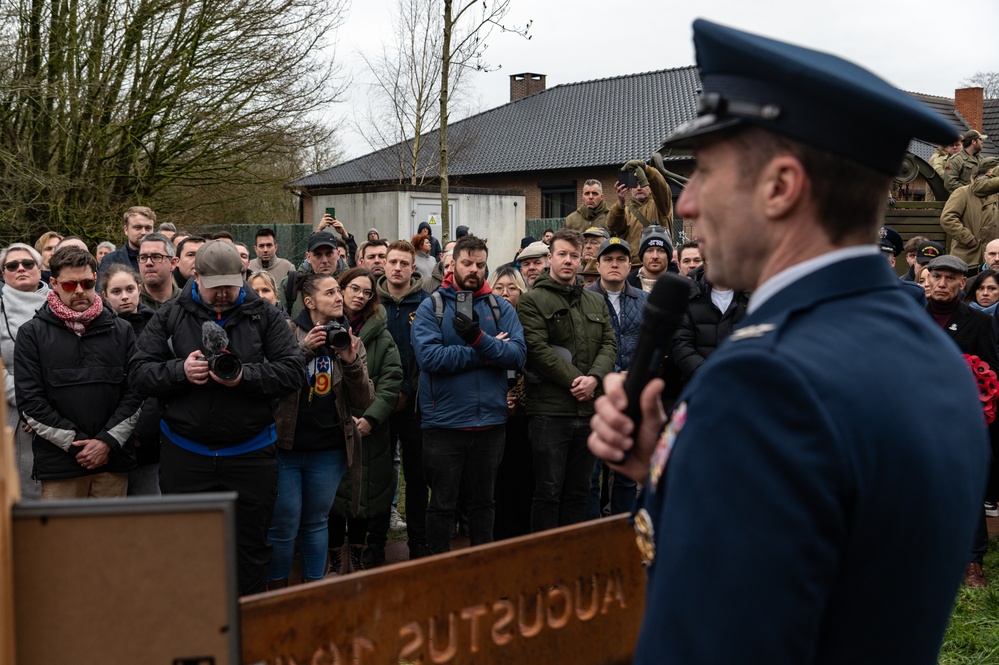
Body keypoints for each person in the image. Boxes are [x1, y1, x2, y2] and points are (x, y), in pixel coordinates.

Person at [588, 19, 988, 663]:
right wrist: (665, 465)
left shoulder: (765, 383)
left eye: (706, 174)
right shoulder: (928, 348)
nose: (686, 205)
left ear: (779, 186)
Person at [130, 240, 306, 595]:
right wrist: (180, 371)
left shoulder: (265, 315)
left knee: (251, 548)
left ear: (243, 274)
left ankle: (249, 633)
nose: (224, 294)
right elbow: (138, 372)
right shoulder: (170, 314)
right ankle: (197, 631)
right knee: (187, 548)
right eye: (215, 288)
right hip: (186, 453)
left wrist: (246, 377)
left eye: (231, 285)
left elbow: (293, 373)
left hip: (251, 454)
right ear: (195, 277)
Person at [411, 234, 526, 553]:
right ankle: (440, 572)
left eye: (479, 264)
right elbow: (431, 359)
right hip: (443, 426)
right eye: (467, 263)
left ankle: (482, 572)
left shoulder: (500, 307)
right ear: (452, 264)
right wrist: (488, 348)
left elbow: (517, 355)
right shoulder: (431, 307)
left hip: (490, 423)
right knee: (442, 505)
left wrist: (476, 338)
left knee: (483, 504)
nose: (474, 269)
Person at [266, 273, 374, 589]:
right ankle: (276, 591)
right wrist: (303, 351)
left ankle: (315, 591)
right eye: (330, 292)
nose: (339, 296)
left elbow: (364, 399)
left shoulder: (350, 338)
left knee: (316, 522)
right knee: (283, 523)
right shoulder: (284, 333)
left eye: (339, 290)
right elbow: (270, 383)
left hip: (329, 449)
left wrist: (351, 361)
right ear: (309, 302)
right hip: (287, 446)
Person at [14, 246, 140, 499]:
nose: (80, 290)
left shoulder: (123, 330)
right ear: (54, 283)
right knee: (62, 539)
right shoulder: (31, 334)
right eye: (71, 285)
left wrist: (106, 442)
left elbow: (137, 392)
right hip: (60, 465)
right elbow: (29, 402)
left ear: (95, 278)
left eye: (87, 282)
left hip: (112, 460)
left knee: (113, 537)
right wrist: (79, 446)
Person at [518, 228, 616, 532]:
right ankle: (545, 564)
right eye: (562, 254)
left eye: (575, 255)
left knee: (580, 490)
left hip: (588, 413)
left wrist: (595, 378)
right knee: (547, 491)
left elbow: (609, 345)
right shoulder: (532, 301)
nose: (569, 261)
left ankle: (571, 562)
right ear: (550, 258)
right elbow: (538, 350)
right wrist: (580, 381)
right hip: (551, 413)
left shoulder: (595, 302)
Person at [924, 254, 999, 587]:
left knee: (968, 486)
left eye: (950, 278)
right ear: (926, 278)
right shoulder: (909, 315)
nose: (942, 283)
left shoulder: (979, 322)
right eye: (937, 276)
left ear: (960, 283)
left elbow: (991, 372)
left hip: (961, 419)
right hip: (915, 417)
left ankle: (972, 560)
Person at [325, 268, 402, 573]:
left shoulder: (381, 336)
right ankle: (332, 559)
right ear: (340, 289)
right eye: (354, 288)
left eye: (366, 292)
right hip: (329, 428)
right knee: (331, 500)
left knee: (360, 498)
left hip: (365, 430)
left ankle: (355, 555)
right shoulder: (321, 328)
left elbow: (392, 379)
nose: (359, 296)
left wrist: (371, 418)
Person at [376, 240, 432, 558]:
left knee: (415, 475)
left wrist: (407, 391)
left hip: (414, 406)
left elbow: (425, 355)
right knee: (381, 476)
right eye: (392, 262)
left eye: (403, 263)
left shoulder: (427, 303)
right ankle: (375, 541)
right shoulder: (372, 303)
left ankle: (418, 542)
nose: (397, 268)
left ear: (414, 268)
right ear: (384, 264)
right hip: (379, 403)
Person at [585, 238, 647, 519]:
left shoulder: (643, 300)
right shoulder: (585, 300)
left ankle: (623, 531)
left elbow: (653, 347)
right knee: (591, 474)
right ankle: (592, 533)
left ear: (629, 265)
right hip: (596, 397)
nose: (614, 264)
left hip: (632, 397)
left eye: (621, 259)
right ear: (597, 265)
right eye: (608, 259)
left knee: (626, 474)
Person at [100, 264, 160, 496]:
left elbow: (157, 384)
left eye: (129, 289)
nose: (124, 297)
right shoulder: (98, 330)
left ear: (140, 289)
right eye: (116, 292)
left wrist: (141, 433)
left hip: (147, 439)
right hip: (108, 437)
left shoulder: (156, 325)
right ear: (104, 296)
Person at [0, 243, 50, 499]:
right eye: (12, 265)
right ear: (3, 273)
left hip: (59, 410)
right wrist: (28, 403)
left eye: (28, 263)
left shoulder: (60, 300)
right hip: (12, 410)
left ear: (40, 268)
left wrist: (46, 408)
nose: (20, 268)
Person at [488, 266, 534, 540]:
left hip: (523, 416)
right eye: (499, 287)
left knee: (521, 477)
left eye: (511, 288)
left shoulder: (529, 323)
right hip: (491, 412)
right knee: (493, 481)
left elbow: (533, 362)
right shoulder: (483, 321)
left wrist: (518, 397)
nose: (505, 293)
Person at [607, 159, 674, 267]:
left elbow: (662, 188)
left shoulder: (660, 205)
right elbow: (613, 227)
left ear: (651, 186)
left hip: (658, 265)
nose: (639, 188)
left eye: (642, 183)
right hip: (632, 268)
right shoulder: (625, 211)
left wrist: (647, 169)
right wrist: (620, 203)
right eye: (635, 184)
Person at [939, 158, 999, 270]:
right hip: (968, 255)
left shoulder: (996, 196)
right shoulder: (963, 192)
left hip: (992, 258)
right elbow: (947, 218)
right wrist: (968, 239)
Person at [279, 231, 339, 318]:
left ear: (338, 254)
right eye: (318, 255)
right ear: (308, 257)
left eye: (329, 254)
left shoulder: (350, 285)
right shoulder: (291, 284)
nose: (325, 260)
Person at [99, 206, 156, 277]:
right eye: (138, 227)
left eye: (148, 228)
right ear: (126, 230)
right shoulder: (110, 261)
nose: (143, 232)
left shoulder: (162, 259)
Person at [137, 232, 180, 310]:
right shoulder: (130, 303)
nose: (148, 263)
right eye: (143, 257)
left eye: (156, 257)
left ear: (173, 263)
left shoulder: (187, 301)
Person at [626, 226, 673, 293]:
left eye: (661, 251)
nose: (655, 256)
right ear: (642, 255)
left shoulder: (681, 285)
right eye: (649, 251)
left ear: (668, 256)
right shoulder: (626, 284)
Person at [945, 129, 988, 193]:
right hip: (963, 200)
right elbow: (950, 183)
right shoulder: (955, 160)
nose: (982, 142)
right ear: (973, 142)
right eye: (980, 140)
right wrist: (970, 191)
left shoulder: (981, 159)